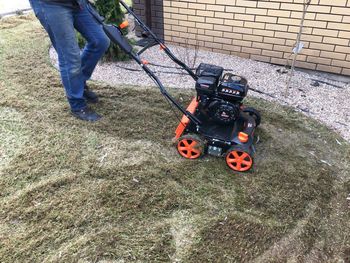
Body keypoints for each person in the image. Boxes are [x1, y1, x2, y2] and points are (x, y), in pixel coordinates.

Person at [29, 0, 110, 121]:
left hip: (77, 3)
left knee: (100, 41)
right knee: (70, 57)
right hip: (51, 5)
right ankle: (77, 104)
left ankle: (79, 85)